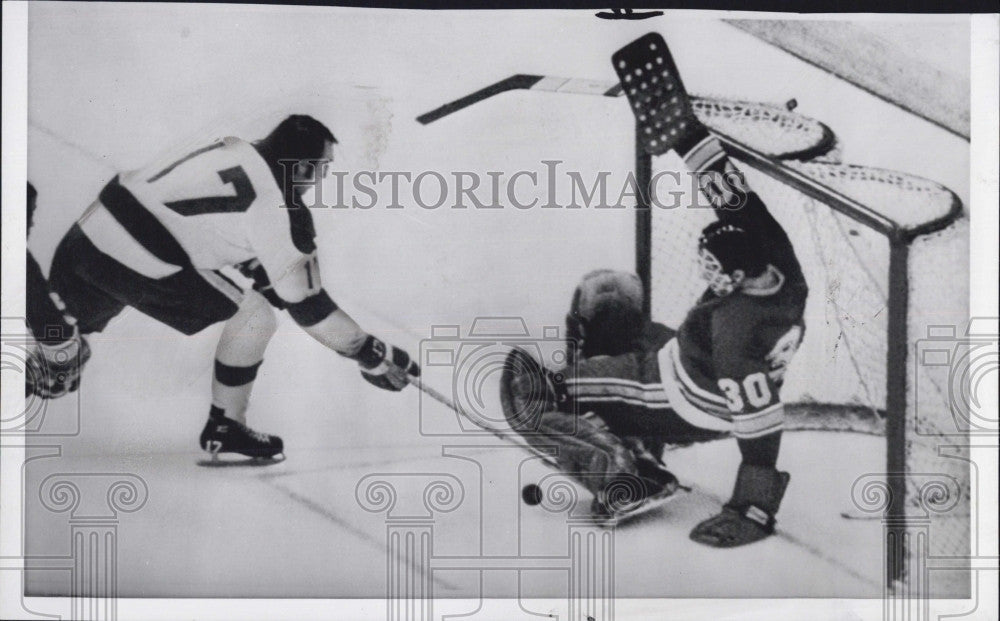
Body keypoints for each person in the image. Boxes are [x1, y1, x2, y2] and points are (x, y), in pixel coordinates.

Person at [39, 115, 419, 461]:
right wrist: (370, 352)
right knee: (255, 317)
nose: (321, 179)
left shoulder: (232, 145)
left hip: (87, 236)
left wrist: (263, 268)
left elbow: (203, 219)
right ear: (302, 166)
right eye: (322, 169)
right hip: (138, 262)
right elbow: (308, 307)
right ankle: (226, 424)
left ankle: (44, 361)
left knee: (51, 350)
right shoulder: (285, 210)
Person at [502, 116, 807, 545]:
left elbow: (759, 419)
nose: (705, 270)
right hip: (694, 361)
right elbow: (738, 201)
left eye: (713, 268)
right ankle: (613, 416)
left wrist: (752, 507)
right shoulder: (782, 269)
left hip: (681, 397)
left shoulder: (735, 331)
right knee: (614, 304)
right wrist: (688, 137)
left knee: (531, 393)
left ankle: (627, 480)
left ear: (736, 275)